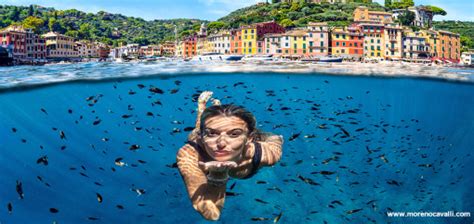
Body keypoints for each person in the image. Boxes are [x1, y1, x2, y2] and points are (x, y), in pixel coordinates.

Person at [176, 91, 283, 220]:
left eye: (234, 134)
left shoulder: (263, 154)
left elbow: (275, 143)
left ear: (249, 138)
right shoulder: (190, 155)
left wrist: (278, 140)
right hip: (199, 141)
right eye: (212, 134)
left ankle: (209, 118)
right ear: (203, 137)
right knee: (197, 130)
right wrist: (218, 176)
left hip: (257, 140)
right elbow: (212, 215)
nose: (221, 143)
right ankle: (202, 111)